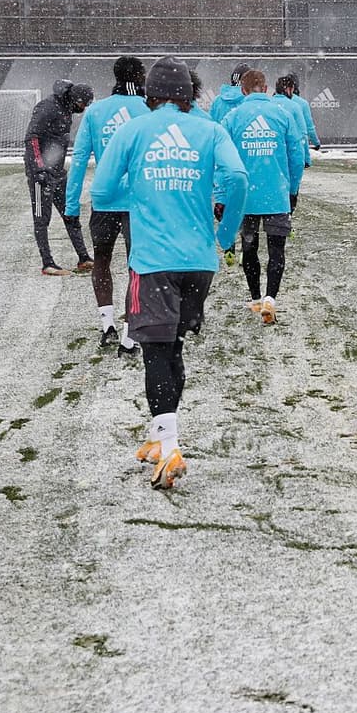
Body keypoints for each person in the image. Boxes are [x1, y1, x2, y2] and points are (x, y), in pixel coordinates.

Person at [91, 56, 247, 490]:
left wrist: (144, 190)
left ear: (149, 95)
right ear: (188, 96)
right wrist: (227, 231)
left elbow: (102, 191)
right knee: (173, 345)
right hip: (200, 261)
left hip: (154, 260)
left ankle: (169, 445)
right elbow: (236, 176)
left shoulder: (133, 130)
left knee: (156, 351)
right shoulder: (211, 130)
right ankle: (161, 437)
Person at [66, 56, 148, 355]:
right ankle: (129, 336)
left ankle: (108, 325)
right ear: (139, 77)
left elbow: (78, 161)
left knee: (101, 260)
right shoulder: (145, 110)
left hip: (104, 199)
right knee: (136, 266)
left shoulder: (96, 112)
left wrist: (72, 204)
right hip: (137, 201)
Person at [222, 69, 306, 325]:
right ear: (266, 87)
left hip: (245, 196)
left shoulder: (233, 117)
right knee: (276, 249)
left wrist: (222, 195)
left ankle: (256, 298)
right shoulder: (283, 114)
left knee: (250, 247)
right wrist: (293, 189)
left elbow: (223, 160)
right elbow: (297, 155)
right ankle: (271, 298)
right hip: (276, 194)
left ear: (243, 90)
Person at [25, 78, 95, 276]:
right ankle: (47, 264)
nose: (83, 108)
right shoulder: (47, 107)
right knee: (41, 218)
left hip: (57, 172)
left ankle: (84, 259)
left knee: (70, 213)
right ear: (75, 99)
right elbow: (32, 137)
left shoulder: (65, 108)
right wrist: (39, 168)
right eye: (83, 103)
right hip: (41, 174)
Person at [283, 73, 322, 154]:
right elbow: (309, 127)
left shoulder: (273, 101)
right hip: (296, 145)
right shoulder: (302, 103)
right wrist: (316, 143)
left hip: (280, 144)